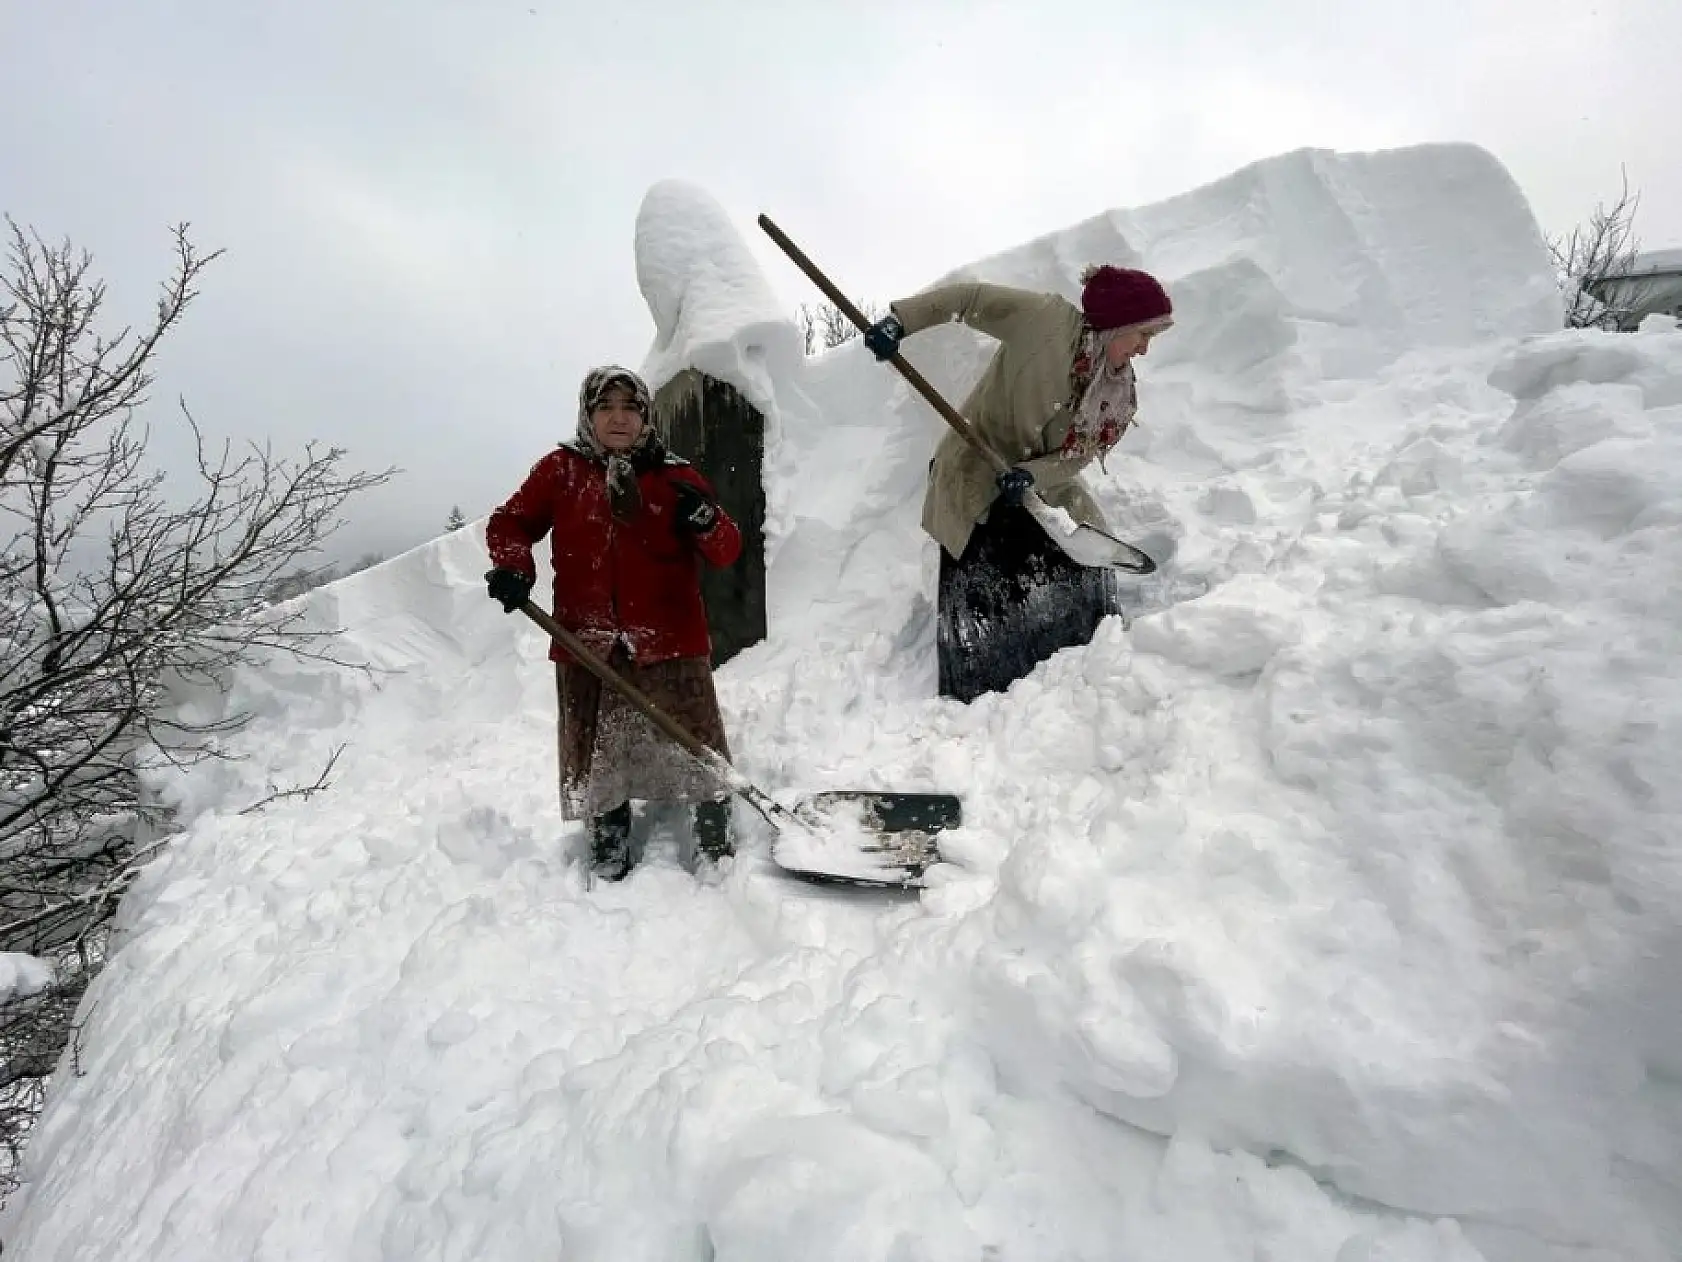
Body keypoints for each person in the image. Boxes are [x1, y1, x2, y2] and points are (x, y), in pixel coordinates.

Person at [861, 264, 1173, 704]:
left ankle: (1086, 647)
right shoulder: (1045, 320)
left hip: (1040, 481)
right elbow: (969, 300)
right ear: (1117, 323)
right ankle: (982, 674)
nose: (1144, 348)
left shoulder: (1116, 392)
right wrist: (901, 322)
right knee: (981, 563)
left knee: (1083, 534)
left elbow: (1078, 455)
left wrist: (1033, 475)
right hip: (974, 466)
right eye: (1142, 334)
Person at [482, 365, 743, 881]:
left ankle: (715, 842)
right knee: (602, 755)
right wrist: (513, 566)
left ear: (646, 417)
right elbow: (510, 523)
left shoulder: (675, 477)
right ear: (588, 414)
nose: (618, 418)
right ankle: (608, 845)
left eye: (630, 408)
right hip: (588, 643)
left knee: (697, 751)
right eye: (606, 407)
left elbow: (726, 550)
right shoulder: (561, 471)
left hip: (670, 642)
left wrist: (707, 522)